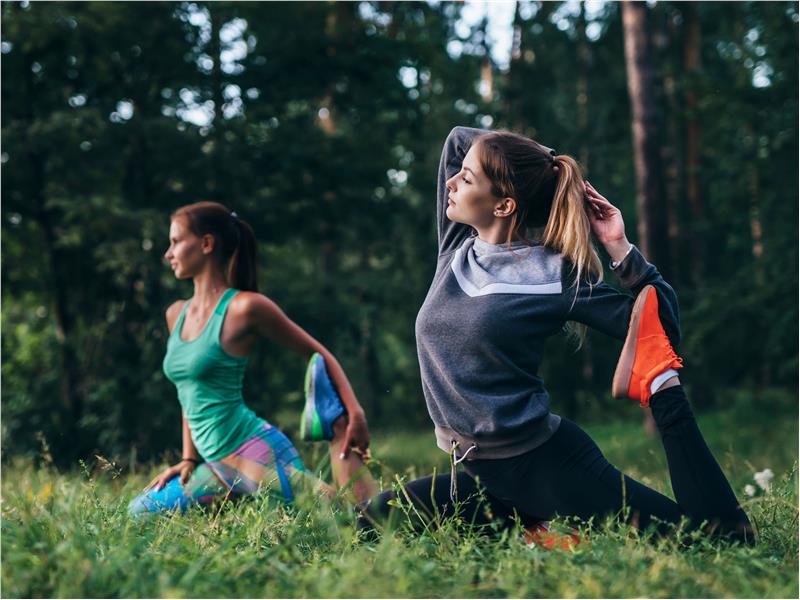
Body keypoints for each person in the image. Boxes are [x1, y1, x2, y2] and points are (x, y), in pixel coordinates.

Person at [357, 126, 754, 544]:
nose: (451, 183)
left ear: (505, 204)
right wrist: (548, 165)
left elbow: (661, 326)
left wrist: (619, 247)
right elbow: (458, 139)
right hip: (482, 475)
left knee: (714, 542)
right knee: (363, 526)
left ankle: (661, 393)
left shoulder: (552, 276)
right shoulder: (457, 247)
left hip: (546, 464)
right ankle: (539, 530)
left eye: (468, 178)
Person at [128, 202, 378, 516]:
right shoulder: (175, 314)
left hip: (254, 454)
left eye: (176, 241)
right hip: (217, 466)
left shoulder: (245, 308)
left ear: (206, 244)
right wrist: (189, 458)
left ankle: (337, 434)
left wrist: (354, 414)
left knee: (351, 518)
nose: (168, 253)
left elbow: (317, 352)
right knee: (140, 513)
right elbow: (188, 394)